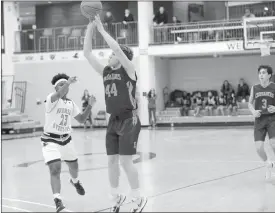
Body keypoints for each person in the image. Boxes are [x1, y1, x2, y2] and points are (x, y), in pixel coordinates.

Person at [83, 15, 147, 213]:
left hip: (129, 119)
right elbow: (87, 53)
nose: (109, 56)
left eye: (112, 55)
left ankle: (138, 198)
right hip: (113, 120)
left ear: (121, 58)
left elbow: (118, 49)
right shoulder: (105, 71)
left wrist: (102, 30)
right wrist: (90, 28)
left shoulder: (129, 70)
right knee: (111, 161)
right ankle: (116, 196)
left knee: (126, 161)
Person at [41, 73, 96, 212]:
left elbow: (82, 119)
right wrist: (69, 82)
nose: (64, 86)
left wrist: (89, 106)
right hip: (50, 139)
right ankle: (58, 200)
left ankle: (75, 181)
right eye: (61, 84)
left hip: (66, 140)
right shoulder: (51, 99)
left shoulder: (71, 103)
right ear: (55, 88)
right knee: (55, 169)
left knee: (74, 167)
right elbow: (60, 93)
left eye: (65, 84)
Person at [248, 65, 275, 179]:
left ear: (269, 75)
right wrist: (253, 111)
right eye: (260, 73)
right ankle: (268, 163)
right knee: (259, 148)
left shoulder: (274, 87)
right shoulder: (254, 88)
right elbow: (250, 103)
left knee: (274, 144)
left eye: (264, 73)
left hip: (272, 119)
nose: (261, 75)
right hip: (259, 120)